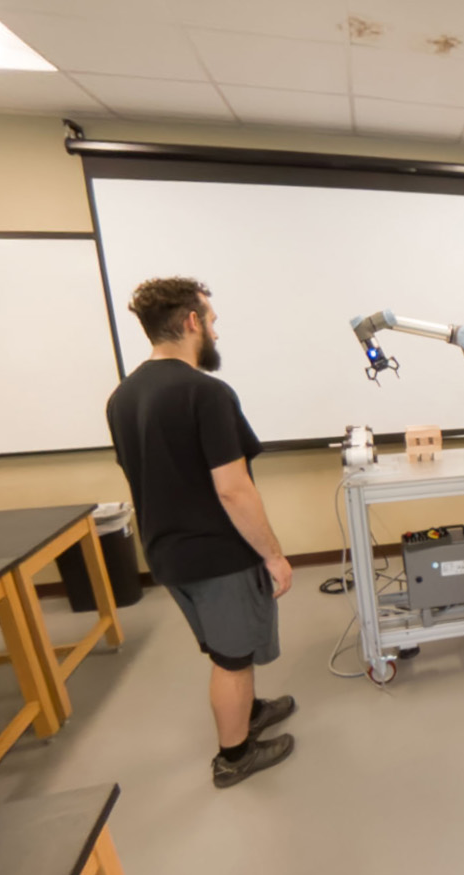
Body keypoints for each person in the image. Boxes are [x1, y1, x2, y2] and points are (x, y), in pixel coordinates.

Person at [106, 277, 297, 789]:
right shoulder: (205, 393)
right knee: (232, 659)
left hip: (169, 553)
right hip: (218, 556)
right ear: (192, 323)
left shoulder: (123, 396)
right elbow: (233, 490)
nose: (215, 331)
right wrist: (274, 556)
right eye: (211, 321)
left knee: (224, 644)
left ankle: (250, 711)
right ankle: (234, 757)